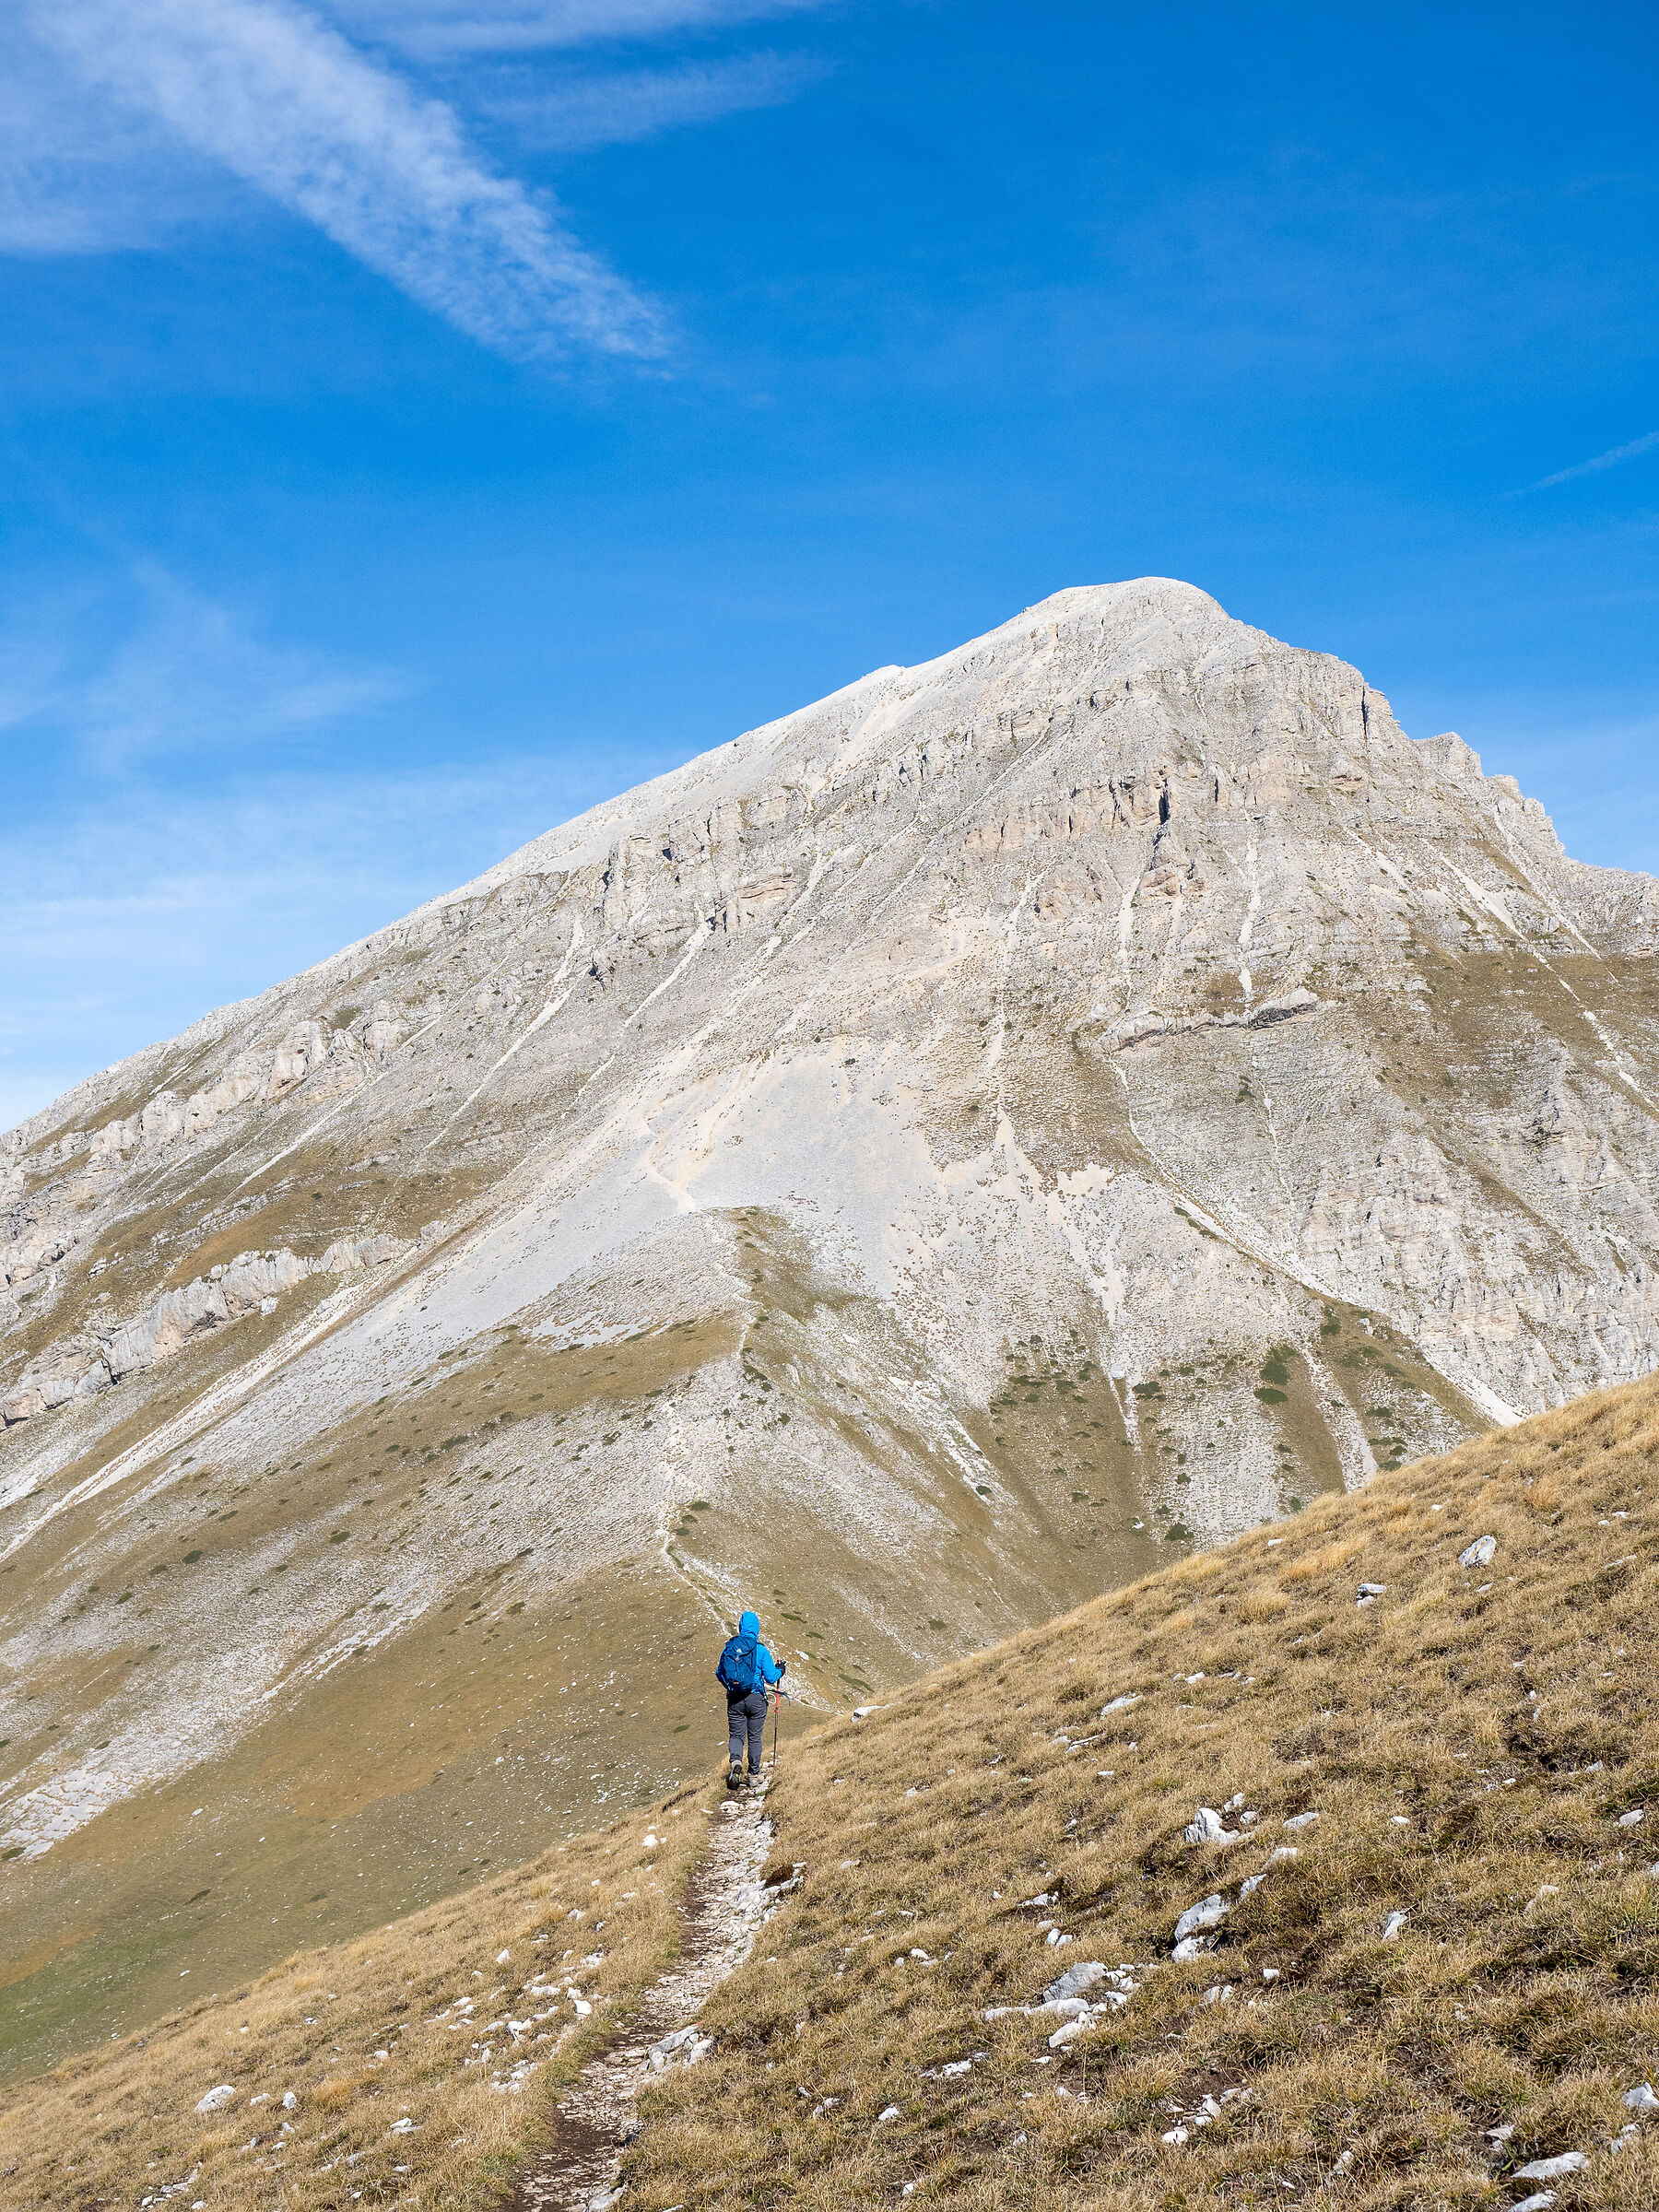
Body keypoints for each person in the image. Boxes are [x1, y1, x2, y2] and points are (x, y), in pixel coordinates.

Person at [716, 1608, 784, 1790]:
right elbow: (771, 1677)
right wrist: (781, 1671)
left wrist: (731, 1688)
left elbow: (719, 1673)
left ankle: (736, 1762)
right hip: (756, 1699)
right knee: (755, 1738)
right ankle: (754, 1775)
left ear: (740, 1627)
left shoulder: (730, 1648)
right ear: (756, 1629)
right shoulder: (760, 1650)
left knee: (737, 1735)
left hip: (735, 1699)